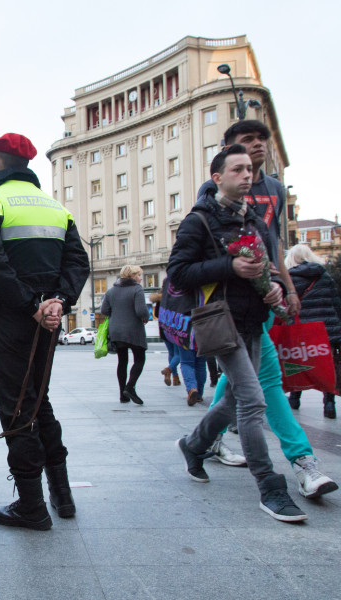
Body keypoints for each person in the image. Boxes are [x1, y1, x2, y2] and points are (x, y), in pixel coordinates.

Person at [171, 144, 307, 522]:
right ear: (218, 178)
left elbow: (266, 266)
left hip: (253, 319)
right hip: (221, 321)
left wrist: (276, 286)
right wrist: (230, 265)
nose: (247, 175)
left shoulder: (255, 221)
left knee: (232, 399)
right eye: (237, 170)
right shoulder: (198, 221)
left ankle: (194, 445)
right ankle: (270, 487)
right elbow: (179, 274)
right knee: (253, 399)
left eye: (249, 169)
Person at [201, 121, 337, 497]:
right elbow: (197, 255)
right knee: (264, 387)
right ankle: (298, 463)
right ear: (228, 152)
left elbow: (273, 243)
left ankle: (202, 441)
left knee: (237, 387)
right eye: (247, 142)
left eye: (262, 140)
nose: (257, 147)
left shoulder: (274, 189)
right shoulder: (213, 192)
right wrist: (233, 270)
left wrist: (287, 288)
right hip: (230, 309)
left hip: (264, 301)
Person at [0, 132, 89, 530]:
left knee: (17, 407)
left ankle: (31, 505)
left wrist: (29, 306)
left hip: (12, 319)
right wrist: (59, 301)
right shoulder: (57, 208)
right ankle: (62, 494)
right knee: (41, 402)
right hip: (50, 320)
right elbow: (78, 261)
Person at [285, 244, 341, 419]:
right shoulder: (323, 275)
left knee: (298, 363)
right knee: (326, 365)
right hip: (326, 329)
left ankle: (294, 398)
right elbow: (336, 303)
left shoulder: (290, 278)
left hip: (301, 330)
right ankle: (329, 404)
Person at [100, 265, 149, 405]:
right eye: (139, 275)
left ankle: (123, 395)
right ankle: (130, 387)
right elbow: (141, 311)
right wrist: (146, 317)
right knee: (139, 359)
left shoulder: (111, 291)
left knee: (122, 361)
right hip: (133, 329)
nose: (140, 278)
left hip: (116, 330)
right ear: (132, 276)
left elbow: (104, 310)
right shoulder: (137, 289)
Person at [151, 283, 181, 387]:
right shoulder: (177, 296)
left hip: (164, 329)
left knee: (171, 353)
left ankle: (175, 377)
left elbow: (157, 314)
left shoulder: (161, 298)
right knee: (179, 354)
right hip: (176, 329)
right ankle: (169, 370)